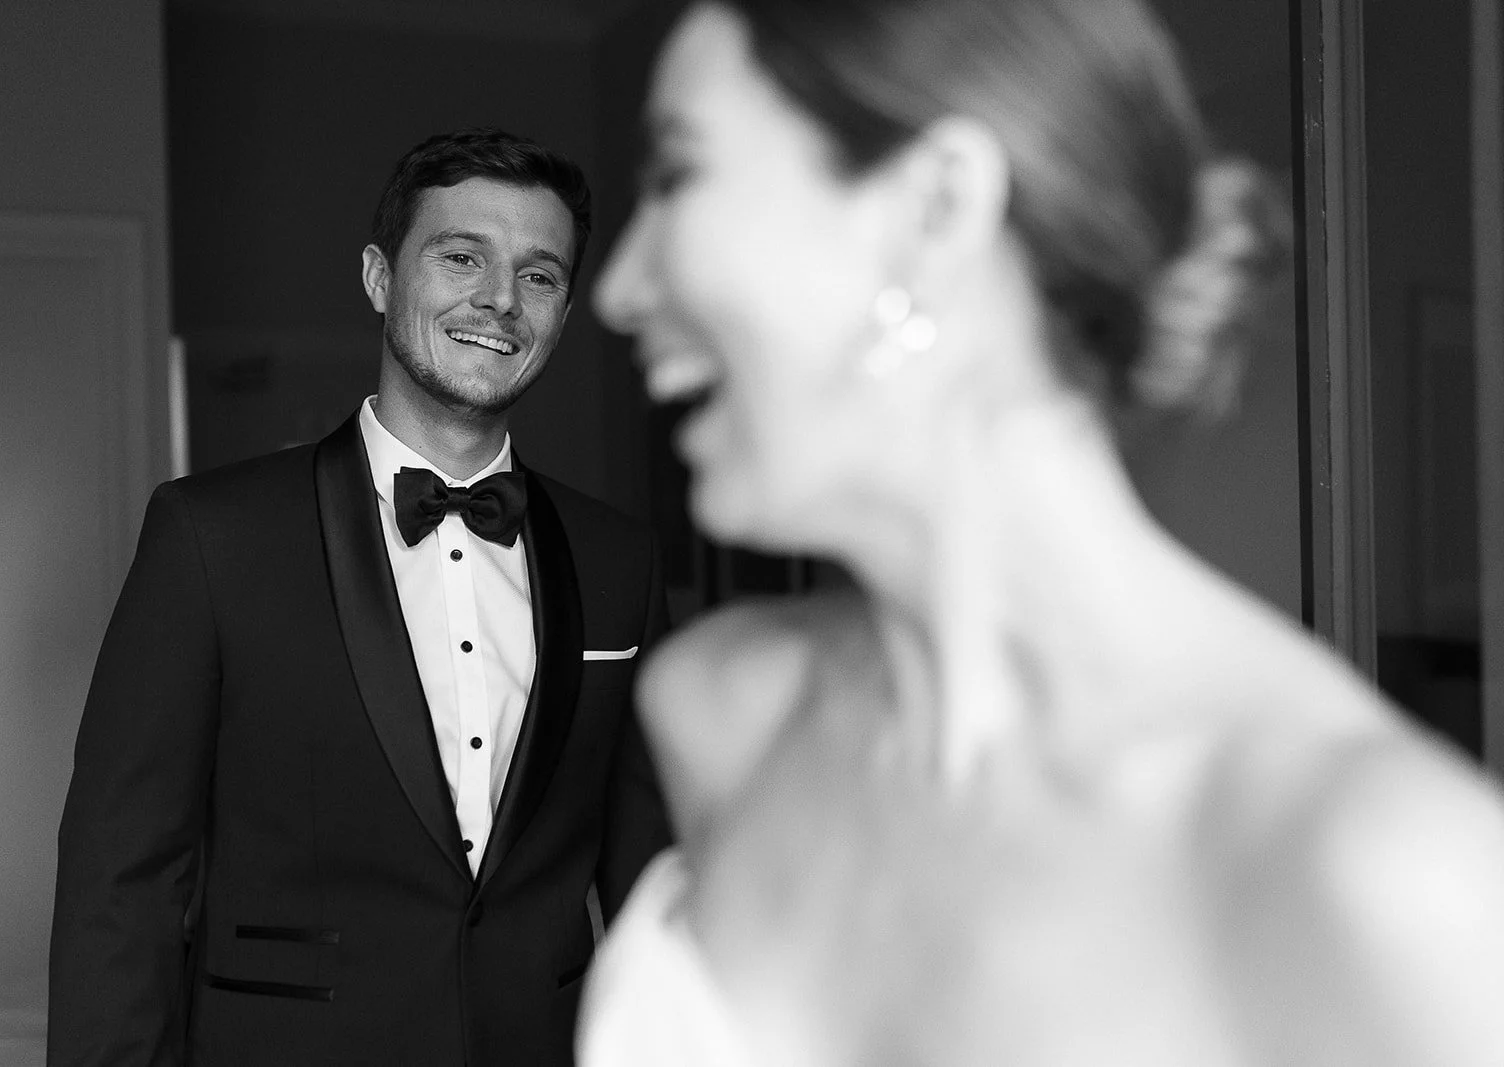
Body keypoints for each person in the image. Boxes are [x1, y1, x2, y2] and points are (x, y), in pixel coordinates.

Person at [576, 2, 1504, 1064]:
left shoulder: (1375, 876)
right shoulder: (723, 715)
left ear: (938, 209)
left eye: (676, 176)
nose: (618, 288)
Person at [48, 127, 671, 1067]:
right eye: (461, 257)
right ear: (381, 278)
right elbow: (120, 874)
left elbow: (651, 881)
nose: (501, 298)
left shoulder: (618, 558)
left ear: (564, 310)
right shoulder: (211, 538)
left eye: (539, 275)